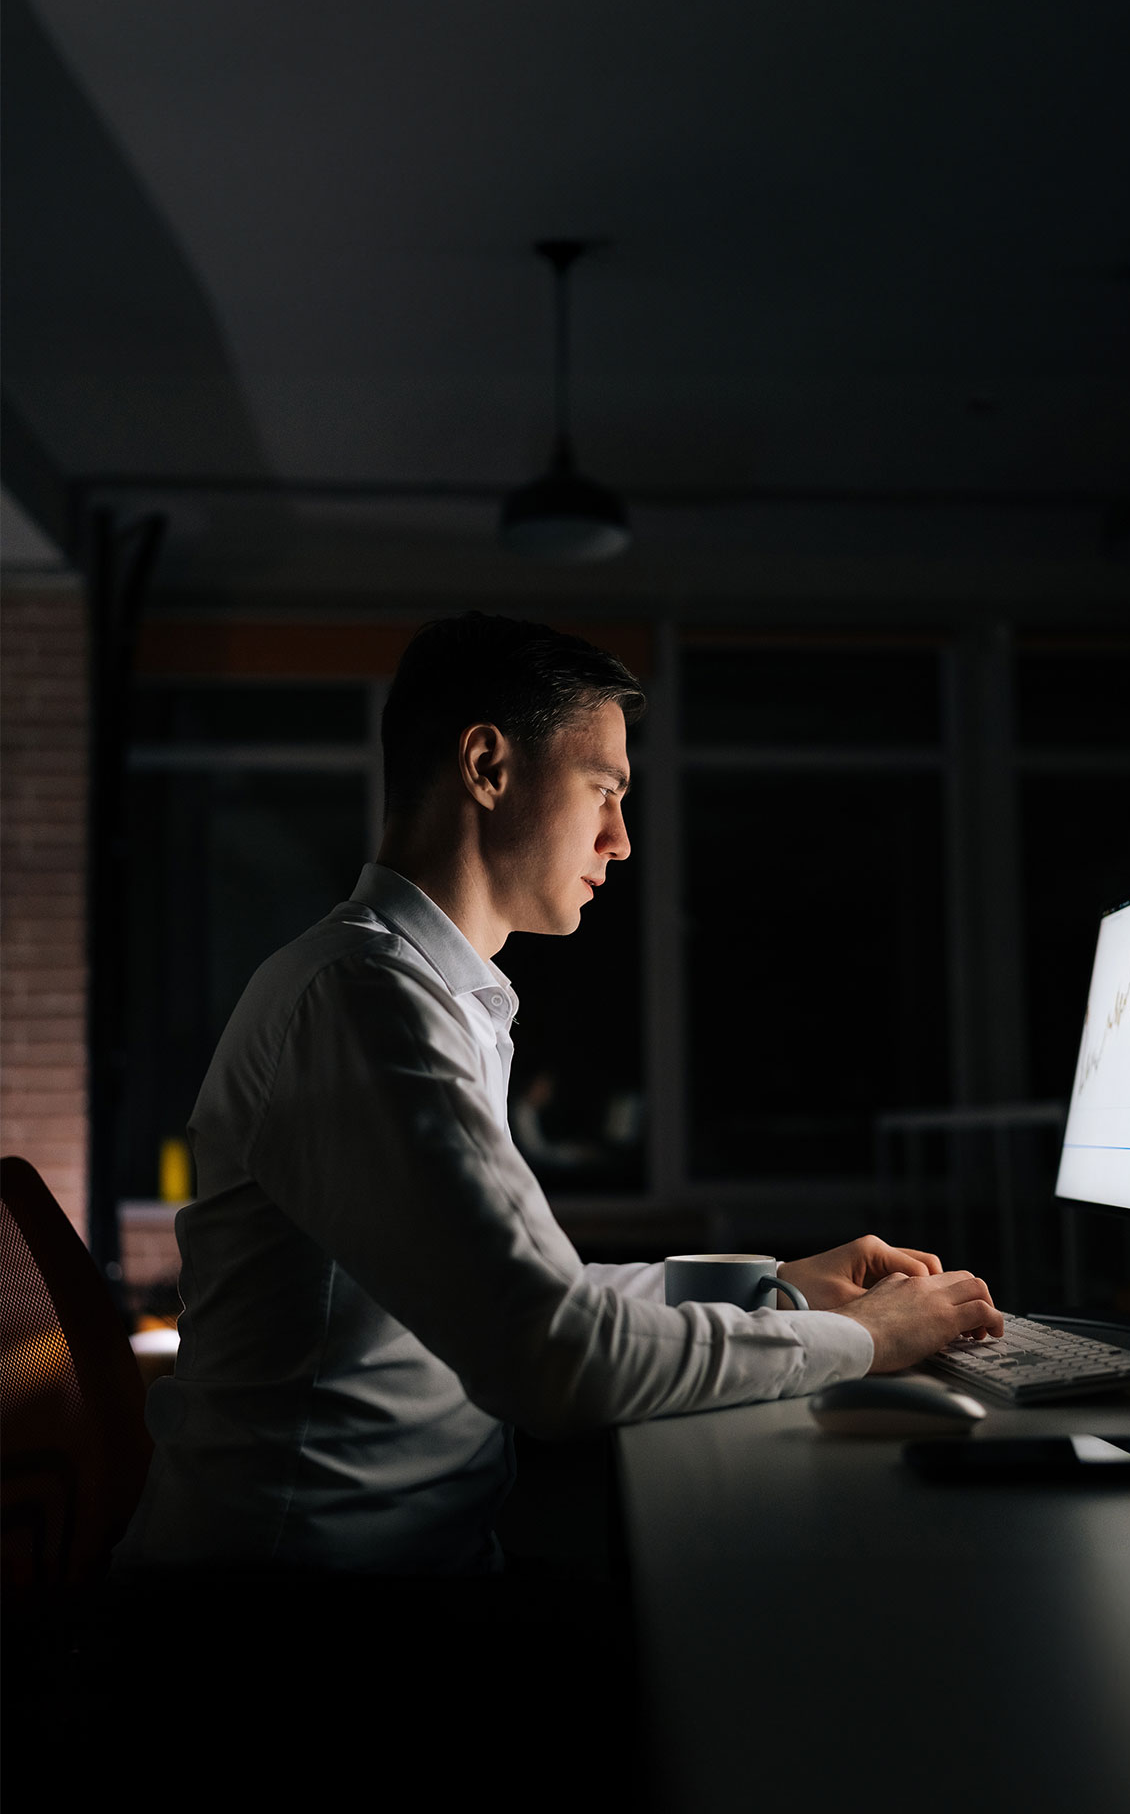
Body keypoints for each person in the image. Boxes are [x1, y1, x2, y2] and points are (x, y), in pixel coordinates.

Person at [113, 613, 1003, 1579]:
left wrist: (776, 1281)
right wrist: (856, 1340)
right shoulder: (364, 1003)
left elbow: (536, 1296)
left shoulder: (427, 995)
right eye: (605, 790)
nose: (622, 840)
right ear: (488, 766)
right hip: (307, 1633)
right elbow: (558, 1355)